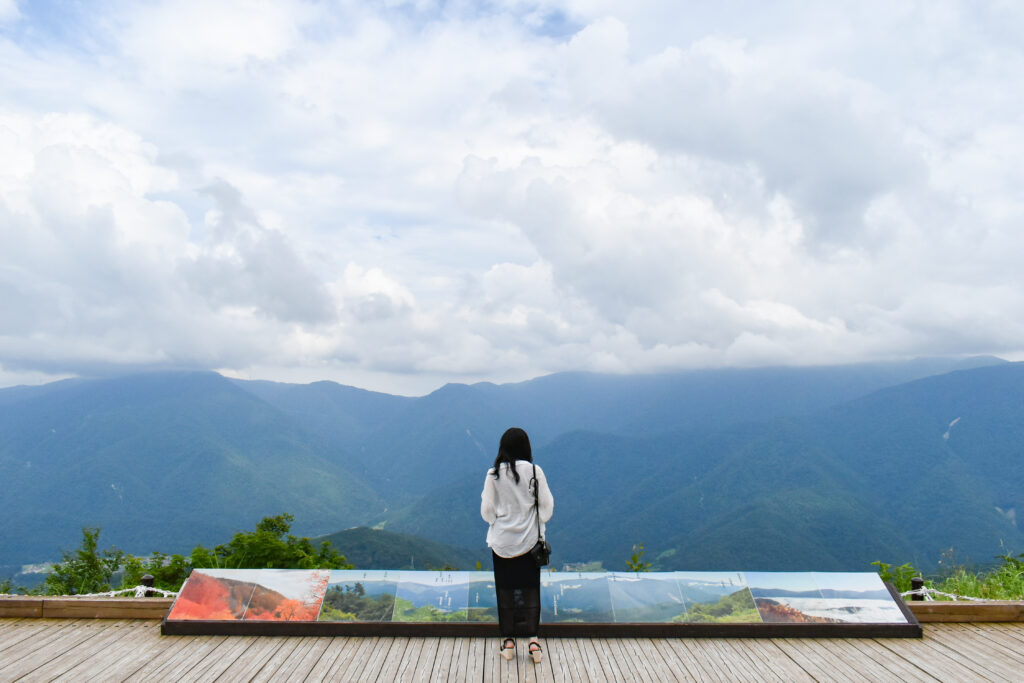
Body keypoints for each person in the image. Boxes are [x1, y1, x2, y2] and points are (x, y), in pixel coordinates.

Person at [480, 427, 553, 663]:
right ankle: (533, 642)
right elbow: (546, 507)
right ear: (526, 447)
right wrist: (534, 522)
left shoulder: (493, 475)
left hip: (502, 544)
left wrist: (499, 522)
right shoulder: (534, 471)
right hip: (529, 543)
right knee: (530, 590)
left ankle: (509, 642)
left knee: (506, 591)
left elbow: (487, 512)